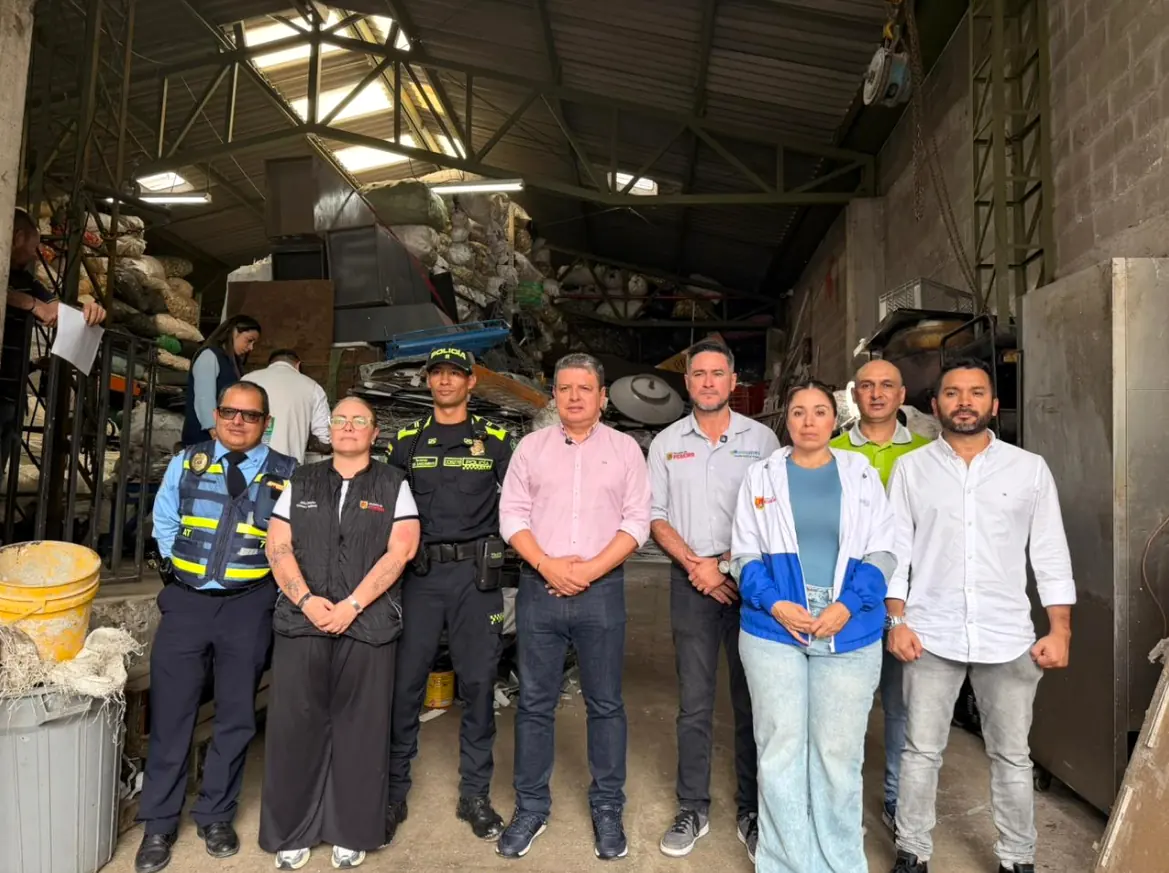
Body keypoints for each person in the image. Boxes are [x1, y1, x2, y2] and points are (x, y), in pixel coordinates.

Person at [886, 359, 1075, 873]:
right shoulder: (913, 468)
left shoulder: (1028, 468)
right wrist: (895, 621)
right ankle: (912, 853)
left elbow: (1051, 553)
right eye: (952, 393)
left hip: (1008, 635)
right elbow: (895, 552)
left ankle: (1018, 859)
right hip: (930, 632)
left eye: (975, 393)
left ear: (993, 405)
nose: (963, 401)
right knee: (920, 752)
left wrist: (1060, 628)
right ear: (935, 405)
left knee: (1012, 756)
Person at [731, 379, 897, 873]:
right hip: (773, 626)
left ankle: (841, 862)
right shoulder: (761, 476)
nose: (808, 422)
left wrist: (847, 604)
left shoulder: (860, 473)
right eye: (799, 412)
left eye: (819, 412)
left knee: (837, 754)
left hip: (847, 626)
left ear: (836, 419)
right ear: (787, 420)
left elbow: (884, 551)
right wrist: (776, 604)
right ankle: (783, 863)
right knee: (780, 748)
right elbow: (743, 555)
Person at [133, 382, 296, 873]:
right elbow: (163, 519)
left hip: (249, 607)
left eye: (250, 415)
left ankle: (216, 814)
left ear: (266, 422)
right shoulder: (189, 462)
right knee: (172, 715)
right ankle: (159, 823)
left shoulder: (288, 474)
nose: (238, 421)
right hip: (186, 604)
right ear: (216, 416)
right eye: (230, 412)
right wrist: (173, 570)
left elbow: (294, 540)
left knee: (236, 715)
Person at [497, 353, 651, 861]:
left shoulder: (626, 450)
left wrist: (587, 570)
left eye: (585, 388)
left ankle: (608, 806)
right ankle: (531, 806)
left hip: (601, 591)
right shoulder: (531, 449)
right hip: (540, 589)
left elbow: (636, 523)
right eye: (565, 388)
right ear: (555, 395)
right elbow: (512, 515)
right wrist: (548, 566)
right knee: (535, 704)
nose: (575, 397)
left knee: (605, 703)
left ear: (602, 396)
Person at [259, 396, 421, 871]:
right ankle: (292, 830)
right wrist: (307, 601)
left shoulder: (393, 483)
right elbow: (278, 543)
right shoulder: (301, 479)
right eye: (341, 420)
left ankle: (351, 829)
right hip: (301, 620)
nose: (349, 427)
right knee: (294, 727)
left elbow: (402, 549)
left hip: (367, 624)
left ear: (374, 433)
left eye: (360, 421)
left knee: (361, 730)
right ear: (329, 431)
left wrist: (352, 604)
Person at [647, 340, 779, 862]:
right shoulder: (665, 443)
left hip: (752, 583)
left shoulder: (764, 441)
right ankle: (692, 808)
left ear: (732, 382)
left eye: (716, 374)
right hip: (691, 580)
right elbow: (655, 515)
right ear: (688, 382)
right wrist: (697, 566)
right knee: (695, 703)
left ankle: (751, 810)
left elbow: (774, 515)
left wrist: (723, 564)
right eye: (698, 374)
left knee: (752, 702)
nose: (706, 382)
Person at [383, 346, 515, 844]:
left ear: (470, 382)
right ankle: (394, 791)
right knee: (405, 686)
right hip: (419, 578)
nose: (444, 381)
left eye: (453, 374)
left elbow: (521, 507)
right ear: (428, 381)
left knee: (480, 685)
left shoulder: (496, 441)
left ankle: (475, 795)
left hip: (475, 582)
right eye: (435, 373)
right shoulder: (407, 442)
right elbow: (387, 510)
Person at [829, 358, 930, 832]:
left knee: (901, 707)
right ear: (854, 395)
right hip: (844, 599)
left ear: (902, 394)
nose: (875, 394)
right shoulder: (828, 451)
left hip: (907, 602)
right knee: (841, 706)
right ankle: (839, 803)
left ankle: (895, 799)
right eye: (866, 386)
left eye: (886, 385)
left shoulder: (929, 455)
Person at [1, 208, 105, 477]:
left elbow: (54, 310)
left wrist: (89, 312)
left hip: (11, 395)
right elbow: (31, 303)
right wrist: (28, 303)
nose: (34, 256)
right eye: (33, 248)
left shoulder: (26, 279)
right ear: (17, 237)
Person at [183, 314, 261, 447]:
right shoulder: (209, 356)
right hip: (205, 437)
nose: (251, 348)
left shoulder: (232, 363)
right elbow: (204, 398)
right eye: (249, 340)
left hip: (223, 436)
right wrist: (214, 431)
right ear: (234, 332)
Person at [242, 348, 331, 463]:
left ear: (270, 364)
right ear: (298, 365)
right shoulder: (313, 387)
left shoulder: (247, 380)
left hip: (244, 465)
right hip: (287, 468)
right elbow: (325, 441)